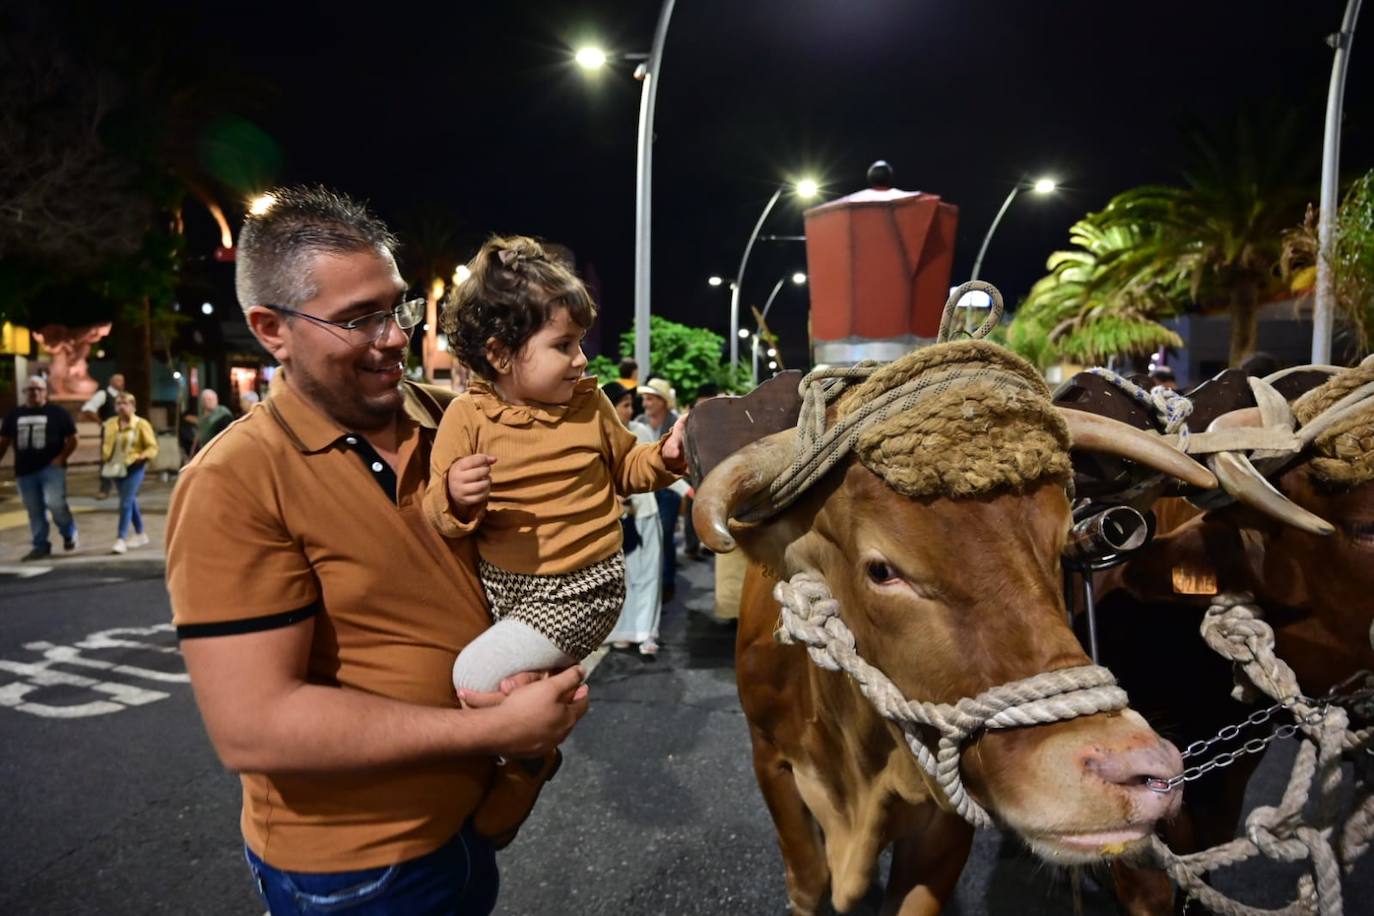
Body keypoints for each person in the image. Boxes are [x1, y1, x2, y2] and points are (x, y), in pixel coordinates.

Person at [166, 186, 588, 916]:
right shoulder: (235, 480)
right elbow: (254, 726)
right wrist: (493, 728)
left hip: (475, 819)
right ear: (271, 329)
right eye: (358, 319)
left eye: (396, 307)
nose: (394, 337)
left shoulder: (452, 416)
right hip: (357, 871)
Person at [425, 235, 687, 693]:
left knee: (472, 676)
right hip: (504, 590)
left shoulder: (589, 404)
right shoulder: (466, 417)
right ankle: (524, 752)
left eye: (579, 342)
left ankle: (515, 743)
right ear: (500, 354)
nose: (581, 359)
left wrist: (664, 456)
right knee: (512, 687)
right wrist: (453, 494)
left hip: (584, 587)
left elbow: (627, 465)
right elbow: (437, 514)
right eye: (563, 345)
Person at [601, 381, 663, 655]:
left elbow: (658, 467)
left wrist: (688, 491)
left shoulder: (641, 431)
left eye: (629, 405)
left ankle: (647, 632)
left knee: (649, 576)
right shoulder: (598, 436)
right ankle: (625, 631)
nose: (630, 410)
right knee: (622, 577)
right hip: (614, 519)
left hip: (645, 513)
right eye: (624, 405)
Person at [0, 376, 79, 560]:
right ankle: (40, 545)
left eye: (38, 389)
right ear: (24, 393)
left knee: (55, 503)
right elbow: (4, 442)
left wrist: (61, 458)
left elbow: (73, 438)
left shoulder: (58, 413)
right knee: (34, 509)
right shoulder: (14, 415)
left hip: (51, 468)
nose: (34, 393)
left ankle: (68, 532)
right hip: (24, 471)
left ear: (45, 392)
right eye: (30, 389)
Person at [635, 378, 682, 601]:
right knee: (649, 537)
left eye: (650, 399)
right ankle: (652, 582)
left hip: (670, 488)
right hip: (646, 490)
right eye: (644, 399)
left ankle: (667, 581)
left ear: (663, 401)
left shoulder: (676, 423)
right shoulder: (639, 422)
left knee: (665, 534)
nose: (645, 403)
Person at [101, 391, 158, 554]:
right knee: (129, 500)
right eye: (118, 403)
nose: (121, 407)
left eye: (124, 403)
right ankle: (141, 534)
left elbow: (152, 447)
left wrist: (141, 457)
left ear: (133, 406)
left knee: (125, 502)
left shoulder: (141, 424)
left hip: (134, 467)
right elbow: (107, 444)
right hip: (116, 467)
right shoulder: (111, 423)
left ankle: (121, 538)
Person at [81, 372, 126, 499]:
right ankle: (104, 488)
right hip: (110, 432)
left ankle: (123, 488)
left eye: (122, 380)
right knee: (107, 459)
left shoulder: (123, 396)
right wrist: (101, 423)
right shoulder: (103, 394)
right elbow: (88, 409)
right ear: (111, 382)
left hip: (125, 432)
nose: (121, 383)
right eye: (118, 380)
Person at [192, 388, 233, 454]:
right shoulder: (203, 417)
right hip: (204, 451)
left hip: (219, 451)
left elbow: (226, 435)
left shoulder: (223, 414)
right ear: (202, 402)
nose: (210, 401)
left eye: (212, 399)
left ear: (217, 400)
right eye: (207, 399)